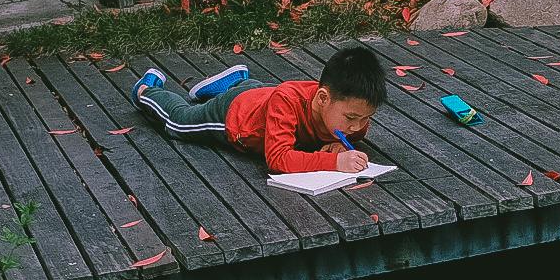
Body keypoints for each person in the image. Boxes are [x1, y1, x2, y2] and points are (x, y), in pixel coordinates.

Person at [132, 45, 386, 175]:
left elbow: (351, 128)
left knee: (258, 93)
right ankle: (148, 90)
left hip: (262, 96)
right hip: (235, 116)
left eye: (366, 118)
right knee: (179, 122)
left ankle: (238, 80)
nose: (357, 127)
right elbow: (278, 158)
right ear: (322, 98)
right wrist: (334, 161)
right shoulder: (288, 102)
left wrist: (339, 144)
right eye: (351, 118)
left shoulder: (346, 115)